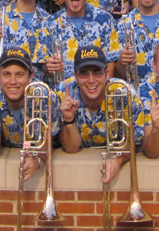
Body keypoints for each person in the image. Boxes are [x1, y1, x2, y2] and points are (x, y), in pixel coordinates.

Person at [56, 45, 145, 185]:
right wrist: (68, 119)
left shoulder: (125, 93)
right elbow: (71, 148)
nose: (91, 80)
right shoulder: (63, 93)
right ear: (75, 76)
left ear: (107, 73)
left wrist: (118, 159)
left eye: (97, 72)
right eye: (84, 73)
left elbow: (135, 141)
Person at [0, 47, 61, 172]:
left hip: (35, 152)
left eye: (19, 74)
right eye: (7, 74)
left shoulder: (45, 95)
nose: (13, 81)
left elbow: (50, 139)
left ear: (30, 76)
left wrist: (37, 158)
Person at [37, 0, 120, 84]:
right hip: (63, 95)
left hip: (96, 93)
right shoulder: (49, 24)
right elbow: (44, 67)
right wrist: (49, 67)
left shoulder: (105, 20)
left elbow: (111, 63)